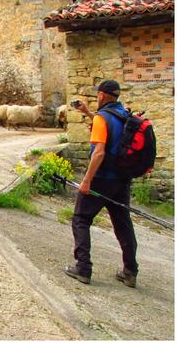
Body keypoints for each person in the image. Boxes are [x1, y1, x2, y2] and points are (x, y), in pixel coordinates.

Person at [65, 80, 139, 288]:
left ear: (102, 95)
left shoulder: (102, 118)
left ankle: (83, 268)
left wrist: (86, 181)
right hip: (121, 180)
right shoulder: (125, 115)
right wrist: (89, 113)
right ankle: (130, 271)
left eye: (98, 94)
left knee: (81, 218)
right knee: (123, 224)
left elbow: (99, 152)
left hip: (101, 178)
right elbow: (112, 133)